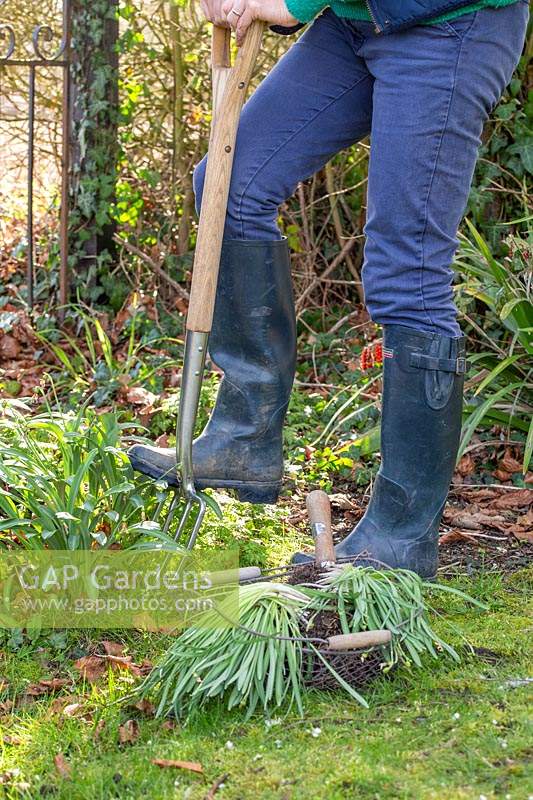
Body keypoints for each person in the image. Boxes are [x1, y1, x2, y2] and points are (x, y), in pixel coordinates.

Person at [129, 0, 529, 578]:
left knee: (406, 273)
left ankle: (400, 537)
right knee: (232, 184)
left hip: (449, 24)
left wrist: (291, 3)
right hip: (352, 20)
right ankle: (245, 440)